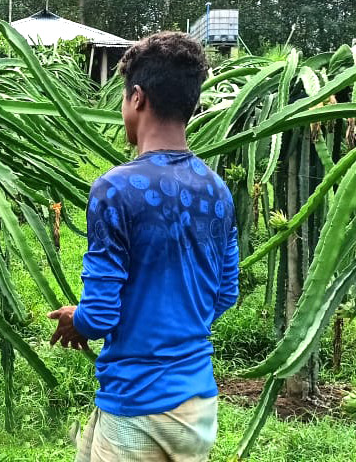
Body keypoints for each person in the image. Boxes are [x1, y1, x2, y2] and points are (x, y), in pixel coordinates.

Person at [48, 32, 239, 462]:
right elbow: (226, 293)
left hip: (137, 406)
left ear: (137, 98)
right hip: (198, 406)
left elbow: (98, 315)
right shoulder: (217, 190)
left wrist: (75, 318)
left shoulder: (115, 189)